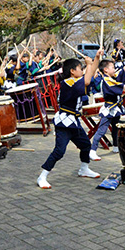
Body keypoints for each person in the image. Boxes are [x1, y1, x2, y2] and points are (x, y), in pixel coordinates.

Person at [37, 48, 103, 189]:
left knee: (85, 145)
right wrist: (90, 64)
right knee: (59, 151)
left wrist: (96, 58)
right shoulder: (68, 82)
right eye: (80, 68)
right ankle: (42, 176)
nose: (82, 70)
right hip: (64, 121)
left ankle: (84, 169)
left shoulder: (75, 80)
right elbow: (87, 80)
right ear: (72, 71)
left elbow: (89, 75)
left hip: (74, 121)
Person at [90, 55, 125, 157]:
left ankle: (116, 146)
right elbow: (121, 88)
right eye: (112, 67)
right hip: (109, 108)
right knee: (102, 130)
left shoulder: (111, 78)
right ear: (106, 70)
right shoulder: (107, 80)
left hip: (115, 108)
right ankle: (92, 151)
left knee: (116, 128)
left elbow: (122, 72)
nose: (114, 69)